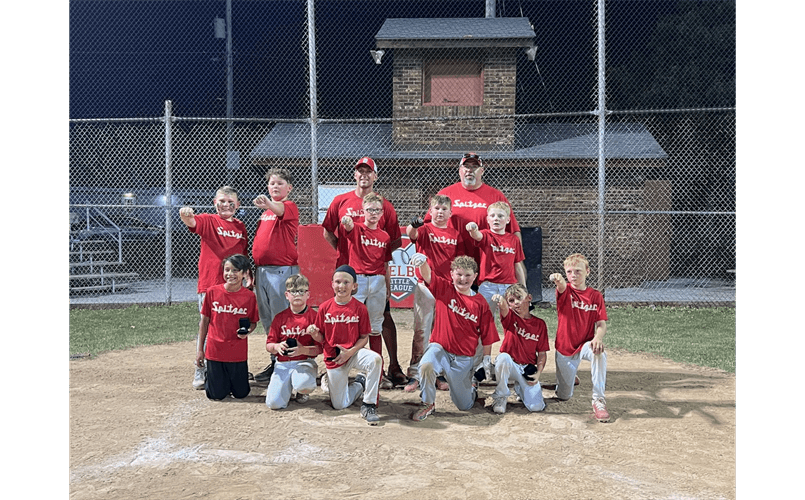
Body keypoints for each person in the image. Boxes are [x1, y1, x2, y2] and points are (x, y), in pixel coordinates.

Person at [321, 156, 406, 387]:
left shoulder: (384, 205)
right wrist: (346, 250)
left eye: (369, 172)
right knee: (343, 318)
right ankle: (334, 366)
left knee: (381, 318)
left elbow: (393, 241)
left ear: (375, 176)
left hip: (375, 274)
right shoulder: (340, 201)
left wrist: (372, 253)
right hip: (349, 273)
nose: (364, 175)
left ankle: (390, 367)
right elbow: (327, 231)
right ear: (355, 174)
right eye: (360, 171)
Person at [408, 254, 499, 422]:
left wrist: (486, 358)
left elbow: (488, 334)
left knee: (464, 405)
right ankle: (427, 403)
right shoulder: (444, 288)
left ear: (475, 276)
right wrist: (423, 263)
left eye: (467, 275)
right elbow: (428, 276)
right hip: (441, 349)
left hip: (463, 359)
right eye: (459, 274)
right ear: (452, 274)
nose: (463, 279)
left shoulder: (480, 303)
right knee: (426, 365)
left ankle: (471, 388)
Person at [180, 186, 249, 390]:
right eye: (222, 201)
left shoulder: (240, 226)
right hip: (210, 284)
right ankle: (200, 367)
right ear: (214, 203)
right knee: (207, 326)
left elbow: (243, 255)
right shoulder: (209, 220)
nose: (226, 205)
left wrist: (248, 276)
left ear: (238, 205)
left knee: (232, 327)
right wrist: (185, 215)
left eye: (230, 202)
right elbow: (192, 222)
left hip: (234, 287)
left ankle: (229, 367)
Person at [403, 194, 470, 392]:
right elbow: (411, 233)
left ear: (450, 213)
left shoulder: (455, 234)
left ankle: (438, 372)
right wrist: (413, 225)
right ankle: (415, 372)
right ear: (430, 211)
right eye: (437, 209)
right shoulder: (425, 229)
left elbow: (459, 262)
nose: (440, 212)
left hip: (446, 288)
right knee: (422, 330)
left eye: (444, 209)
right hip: (425, 286)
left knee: (442, 332)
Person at [306, 265, 383, 425]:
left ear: (354, 286)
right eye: (338, 282)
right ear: (332, 284)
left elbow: (364, 337)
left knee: (375, 359)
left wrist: (350, 352)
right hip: (334, 358)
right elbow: (322, 338)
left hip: (353, 353)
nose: (342, 286)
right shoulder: (324, 308)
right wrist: (315, 334)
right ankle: (360, 383)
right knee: (339, 405)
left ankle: (369, 405)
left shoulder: (360, 308)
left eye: (346, 282)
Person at [251, 168, 300, 384]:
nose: (275, 186)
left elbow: (280, 209)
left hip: (281, 270)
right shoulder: (266, 213)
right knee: (268, 319)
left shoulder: (288, 206)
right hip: (262, 270)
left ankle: (289, 362)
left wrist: (268, 203)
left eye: (280, 183)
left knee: (283, 318)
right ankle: (276, 360)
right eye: (272, 183)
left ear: (289, 188)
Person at [548, 253, 610, 423]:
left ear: (587, 271)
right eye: (569, 272)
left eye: (578, 271)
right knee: (564, 396)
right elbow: (561, 285)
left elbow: (601, 323)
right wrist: (558, 279)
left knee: (599, 352)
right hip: (565, 348)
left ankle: (598, 400)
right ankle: (570, 377)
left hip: (585, 344)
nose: (573, 275)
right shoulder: (565, 291)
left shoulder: (595, 295)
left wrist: (598, 337)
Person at [429, 152, 522, 262]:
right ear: (460, 170)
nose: (470, 170)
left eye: (474, 167)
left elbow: (513, 230)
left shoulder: (496, 196)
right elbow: (429, 225)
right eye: (466, 166)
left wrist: (517, 260)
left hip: (487, 259)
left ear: (482, 171)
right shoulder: (445, 194)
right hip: (451, 258)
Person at [339, 192, 392, 382]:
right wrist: (347, 221)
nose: (373, 213)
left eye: (377, 210)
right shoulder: (357, 229)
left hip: (378, 280)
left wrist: (388, 285)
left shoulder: (384, 236)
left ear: (382, 213)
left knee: (375, 326)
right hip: (359, 280)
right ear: (363, 211)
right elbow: (348, 226)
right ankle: (342, 366)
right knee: (350, 321)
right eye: (370, 210)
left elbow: (385, 264)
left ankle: (377, 372)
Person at [195, 254, 258, 401]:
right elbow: (204, 322)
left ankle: (227, 380)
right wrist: (200, 350)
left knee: (241, 393)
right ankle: (211, 375)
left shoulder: (249, 297)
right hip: (215, 351)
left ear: (244, 273)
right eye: (227, 270)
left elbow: (253, 322)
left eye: (235, 270)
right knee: (216, 395)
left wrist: (247, 331)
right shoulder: (212, 292)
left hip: (237, 352)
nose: (230, 274)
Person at [489, 284, 549, 414]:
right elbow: (503, 307)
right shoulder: (510, 317)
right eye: (511, 300)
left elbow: (542, 353)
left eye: (519, 298)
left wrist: (538, 373)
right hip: (510, 365)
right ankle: (501, 396)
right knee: (503, 358)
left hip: (526, 368)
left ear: (529, 298)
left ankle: (520, 389)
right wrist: (501, 299)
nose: (516, 302)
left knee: (536, 407)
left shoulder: (540, 324)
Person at [264, 274, 322, 409]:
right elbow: (269, 345)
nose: (297, 295)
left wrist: (302, 350)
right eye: (293, 291)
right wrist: (277, 347)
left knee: (304, 384)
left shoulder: (314, 317)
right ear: (287, 295)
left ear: (308, 295)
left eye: (301, 291)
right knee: (273, 404)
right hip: (282, 364)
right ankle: (287, 387)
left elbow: (321, 348)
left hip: (305, 362)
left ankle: (301, 390)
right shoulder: (280, 318)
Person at [465, 201, 527, 321]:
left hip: (509, 286)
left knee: (513, 319)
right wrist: (472, 228)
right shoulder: (486, 235)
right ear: (487, 219)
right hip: (488, 286)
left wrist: (523, 288)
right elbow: (477, 235)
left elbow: (517, 265)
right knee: (484, 319)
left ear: (508, 220)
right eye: (492, 216)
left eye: (500, 216)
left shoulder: (514, 240)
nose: (496, 219)